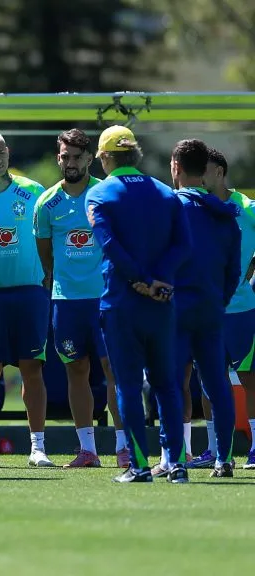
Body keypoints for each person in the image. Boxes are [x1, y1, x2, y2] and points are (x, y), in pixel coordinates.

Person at [86, 125, 192, 484]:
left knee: (127, 385)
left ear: (105, 157)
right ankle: (176, 464)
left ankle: (139, 466)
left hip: (121, 302)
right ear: (137, 155)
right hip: (162, 302)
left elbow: (110, 245)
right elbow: (183, 246)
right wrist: (158, 280)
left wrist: (140, 282)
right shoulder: (166, 193)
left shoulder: (100, 194)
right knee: (167, 384)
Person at [33, 129, 127, 468]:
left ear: (90, 158)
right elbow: (46, 256)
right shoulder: (47, 203)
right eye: (64, 156)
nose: (70, 163)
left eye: (77, 157)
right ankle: (87, 449)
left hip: (106, 300)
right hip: (66, 302)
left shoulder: (105, 195)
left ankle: (123, 446)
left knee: (114, 370)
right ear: (58, 158)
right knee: (76, 370)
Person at [0, 131, 52, 467]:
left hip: (29, 292)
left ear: (8, 153)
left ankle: (38, 447)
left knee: (33, 368)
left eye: (1, 152)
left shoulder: (32, 192)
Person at [163, 139, 239, 479]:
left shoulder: (167, 208)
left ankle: (174, 460)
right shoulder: (225, 214)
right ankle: (224, 459)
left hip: (173, 311)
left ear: (176, 168)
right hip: (210, 310)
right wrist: (217, 300)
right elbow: (233, 271)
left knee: (171, 385)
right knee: (217, 385)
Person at [202, 149, 255, 470]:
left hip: (242, 311)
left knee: (249, 378)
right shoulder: (196, 207)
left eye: (204, 172)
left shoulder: (247, 208)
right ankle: (213, 449)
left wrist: (250, 269)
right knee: (211, 379)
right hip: (207, 311)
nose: (200, 178)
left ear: (219, 172)